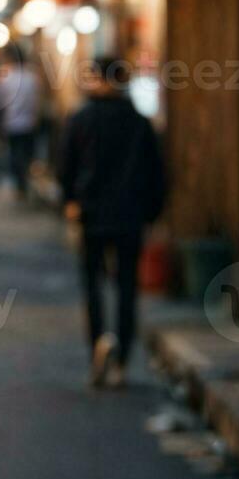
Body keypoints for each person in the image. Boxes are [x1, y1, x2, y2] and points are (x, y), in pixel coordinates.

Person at [58, 56, 166, 389]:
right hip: (130, 216)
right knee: (126, 288)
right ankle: (121, 361)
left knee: (92, 286)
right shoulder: (139, 122)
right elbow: (157, 173)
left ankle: (97, 350)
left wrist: (70, 203)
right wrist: (151, 214)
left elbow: (65, 169)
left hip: (92, 216)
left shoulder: (80, 119)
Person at [0, 50, 42, 199]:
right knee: (28, 153)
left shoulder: (5, 78)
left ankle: (20, 185)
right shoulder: (32, 77)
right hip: (29, 122)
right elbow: (37, 100)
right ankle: (26, 180)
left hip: (11, 123)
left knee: (14, 154)